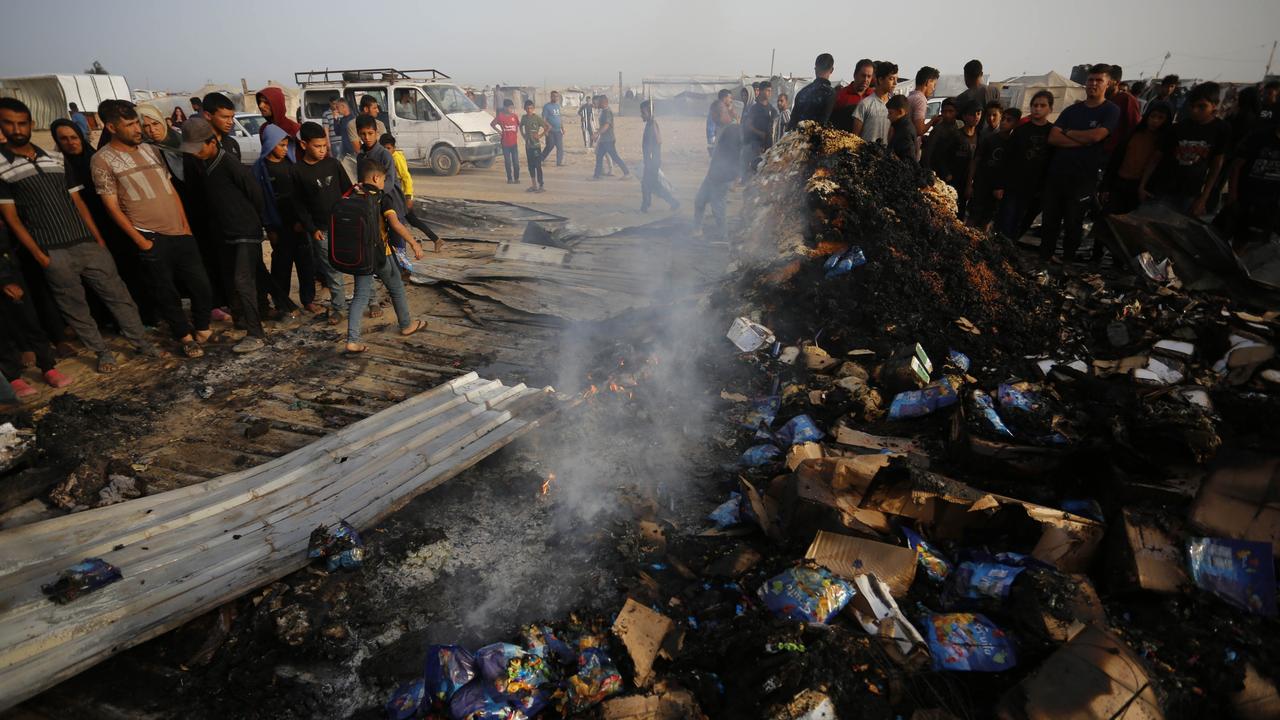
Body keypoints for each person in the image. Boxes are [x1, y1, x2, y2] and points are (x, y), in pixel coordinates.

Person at [0, 97, 160, 372]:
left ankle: (141, 342)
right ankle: (101, 352)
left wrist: (97, 240)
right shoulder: (2, 168)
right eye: (9, 124)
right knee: (75, 307)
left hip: (87, 242)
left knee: (118, 295)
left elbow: (79, 203)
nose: (17, 129)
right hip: (52, 251)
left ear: (31, 124)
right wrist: (40, 256)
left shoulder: (57, 159)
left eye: (22, 123)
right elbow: (12, 219)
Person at [91, 101, 213, 358]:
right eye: (130, 125)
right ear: (111, 127)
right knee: (165, 292)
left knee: (201, 284)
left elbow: (170, 188)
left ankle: (202, 326)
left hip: (180, 231)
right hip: (149, 236)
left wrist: (185, 225)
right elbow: (111, 207)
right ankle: (184, 336)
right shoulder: (102, 160)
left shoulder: (150, 150)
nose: (138, 128)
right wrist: (141, 241)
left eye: (137, 122)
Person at [179, 116, 272, 353]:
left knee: (244, 281)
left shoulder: (229, 163)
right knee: (233, 280)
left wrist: (257, 222)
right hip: (226, 232)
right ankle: (243, 320)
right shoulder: (204, 166)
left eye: (199, 147)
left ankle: (256, 333)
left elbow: (255, 193)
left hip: (246, 231)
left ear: (212, 142)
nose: (196, 152)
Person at [343, 158, 426, 355]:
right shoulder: (382, 198)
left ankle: (352, 340)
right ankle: (406, 324)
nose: (383, 184)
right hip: (381, 254)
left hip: (359, 255)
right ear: (375, 177)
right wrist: (414, 243)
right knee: (396, 286)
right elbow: (396, 224)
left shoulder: (351, 195)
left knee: (360, 296)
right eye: (383, 180)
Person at [1041, 64, 1121, 263]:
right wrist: (1080, 140)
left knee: (1073, 224)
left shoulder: (1110, 110)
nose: (1093, 84)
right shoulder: (1072, 110)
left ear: (1108, 84)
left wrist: (1067, 133)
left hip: (1083, 178)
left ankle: (1067, 263)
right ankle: (1043, 260)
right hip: (1057, 175)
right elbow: (1053, 137)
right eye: (1090, 80)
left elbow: (1096, 137)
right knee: (1049, 221)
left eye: (1098, 80)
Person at [0, 220, 73, 397]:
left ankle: (48, 367)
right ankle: (13, 378)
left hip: (8, 268)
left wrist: (7, 277)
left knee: (29, 319)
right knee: (1, 329)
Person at [291, 121, 352, 324]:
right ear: (303, 145)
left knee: (358, 264)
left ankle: (371, 301)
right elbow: (299, 205)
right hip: (321, 230)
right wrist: (312, 228)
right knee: (332, 271)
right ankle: (339, 308)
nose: (322, 150)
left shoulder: (333, 164)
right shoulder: (297, 171)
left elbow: (348, 190)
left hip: (344, 225)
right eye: (317, 146)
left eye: (325, 146)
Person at [1142, 82, 1230, 218]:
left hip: (1190, 194)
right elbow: (1156, 157)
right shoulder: (1178, 128)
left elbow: (1215, 167)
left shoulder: (1221, 130)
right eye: (1192, 106)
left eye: (1202, 107)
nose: (1195, 111)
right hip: (1163, 188)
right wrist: (1143, 185)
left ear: (1214, 105)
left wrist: (1203, 198)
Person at [254, 125, 316, 315]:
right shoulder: (261, 169)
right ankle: (282, 302)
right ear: (270, 144)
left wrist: (303, 220)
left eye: (285, 144)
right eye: (280, 145)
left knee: (306, 263)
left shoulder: (290, 163)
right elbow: (261, 201)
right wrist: (269, 227)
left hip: (298, 223)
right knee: (282, 265)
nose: (283, 148)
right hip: (279, 224)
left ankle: (308, 300)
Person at [1102, 101, 1172, 216]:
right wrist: (1106, 186)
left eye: (1161, 118)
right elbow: (1115, 160)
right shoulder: (1133, 134)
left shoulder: (1163, 143)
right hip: (1119, 182)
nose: (1155, 121)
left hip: (1139, 188)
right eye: (1153, 116)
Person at [381, 133, 442, 251]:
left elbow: (406, 177)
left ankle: (433, 240)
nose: (386, 151)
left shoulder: (396, 158)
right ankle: (435, 239)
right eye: (384, 148)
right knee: (411, 220)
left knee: (404, 221)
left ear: (393, 148)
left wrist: (408, 197)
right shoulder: (388, 158)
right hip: (397, 195)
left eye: (388, 148)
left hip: (400, 196)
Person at [1225, 119, 1280, 248]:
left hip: (1269, 201)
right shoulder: (1259, 136)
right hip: (1245, 195)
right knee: (1226, 232)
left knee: (1247, 240)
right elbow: (1236, 166)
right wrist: (1232, 194)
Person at [968, 107, 1018, 230]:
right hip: (981, 184)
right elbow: (976, 161)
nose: (1004, 122)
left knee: (987, 219)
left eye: (1009, 120)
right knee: (973, 216)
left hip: (997, 189)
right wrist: (969, 183)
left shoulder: (1014, 143)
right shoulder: (989, 139)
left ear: (1015, 124)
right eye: (1004, 119)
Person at [930, 103, 981, 218]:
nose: (976, 117)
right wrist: (947, 174)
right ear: (964, 116)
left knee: (961, 212)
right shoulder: (955, 135)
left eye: (978, 114)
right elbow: (940, 156)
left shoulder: (980, 137)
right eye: (972, 114)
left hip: (966, 181)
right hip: (952, 181)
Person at [695, 123, 741, 239]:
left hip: (722, 179)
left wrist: (735, 182)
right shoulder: (723, 138)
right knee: (699, 201)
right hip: (711, 177)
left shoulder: (734, 138)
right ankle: (697, 230)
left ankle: (723, 235)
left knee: (718, 210)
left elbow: (740, 163)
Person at [639, 100, 679, 214]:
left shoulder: (652, 125)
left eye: (643, 113)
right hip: (651, 161)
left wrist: (651, 159)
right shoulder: (650, 124)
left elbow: (658, 141)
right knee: (652, 185)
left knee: (648, 184)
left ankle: (645, 206)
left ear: (650, 113)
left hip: (652, 161)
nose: (641, 115)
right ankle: (673, 202)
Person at [851, 61, 897, 145]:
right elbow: (855, 137)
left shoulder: (894, 107)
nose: (895, 83)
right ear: (880, 80)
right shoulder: (865, 104)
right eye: (891, 79)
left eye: (896, 79)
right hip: (865, 155)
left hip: (886, 156)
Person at [789, 53, 837, 129]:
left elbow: (791, 123)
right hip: (815, 139)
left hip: (797, 138)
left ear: (815, 69)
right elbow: (823, 124)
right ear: (832, 70)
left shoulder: (802, 92)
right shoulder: (830, 93)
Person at [741, 81, 777, 182]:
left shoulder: (772, 109)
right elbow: (748, 125)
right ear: (760, 91)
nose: (769, 93)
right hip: (755, 146)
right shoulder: (754, 108)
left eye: (770, 91)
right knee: (754, 172)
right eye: (767, 91)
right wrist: (759, 133)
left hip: (768, 147)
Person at [592, 95, 629, 180]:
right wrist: (598, 132)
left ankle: (627, 173)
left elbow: (606, 125)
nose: (598, 104)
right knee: (599, 156)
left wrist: (597, 133)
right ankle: (597, 176)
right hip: (604, 139)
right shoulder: (603, 111)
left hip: (608, 139)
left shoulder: (607, 112)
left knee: (615, 157)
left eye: (599, 102)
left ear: (604, 102)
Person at [955, 59, 1002, 127]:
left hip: (972, 134)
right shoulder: (994, 91)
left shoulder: (963, 97)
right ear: (982, 74)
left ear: (966, 76)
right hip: (991, 133)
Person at [1106, 65, 1141, 152]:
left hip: (1113, 151)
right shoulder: (1101, 98)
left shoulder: (1127, 99)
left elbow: (1134, 127)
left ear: (1116, 82)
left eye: (1107, 81)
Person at [908, 66, 942, 158]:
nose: (934, 89)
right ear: (928, 82)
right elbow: (919, 130)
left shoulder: (910, 97)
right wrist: (932, 121)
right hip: (910, 151)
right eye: (934, 84)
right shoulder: (920, 100)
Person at [202, 92, 242, 161]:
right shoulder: (196, 146)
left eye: (232, 117)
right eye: (225, 117)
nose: (231, 122)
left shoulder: (232, 143)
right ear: (208, 115)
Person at [520, 100, 549, 193]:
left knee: (538, 166)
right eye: (527, 108)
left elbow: (547, 127)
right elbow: (520, 126)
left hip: (536, 146)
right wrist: (523, 135)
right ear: (525, 109)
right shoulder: (524, 118)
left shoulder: (537, 118)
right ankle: (534, 185)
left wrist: (540, 135)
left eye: (531, 108)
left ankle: (541, 185)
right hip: (528, 146)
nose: (529, 110)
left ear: (533, 109)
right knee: (530, 166)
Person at [922, 98, 959, 168]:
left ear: (956, 112)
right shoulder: (938, 130)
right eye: (944, 111)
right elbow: (928, 153)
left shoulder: (960, 126)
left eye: (951, 111)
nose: (947, 115)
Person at [491, 100, 521, 184]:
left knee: (516, 162)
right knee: (508, 162)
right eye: (510, 107)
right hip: (505, 144)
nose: (511, 109)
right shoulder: (500, 116)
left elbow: (518, 125)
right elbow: (492, 124)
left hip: (514, 143)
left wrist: (515, 132)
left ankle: (516, 178)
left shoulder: (514, 116)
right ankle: (509, 178)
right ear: (505, 107)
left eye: (512, 107)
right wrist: (499, 131)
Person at [886, 95, 916, 162]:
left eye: (890, 113)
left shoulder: (905, 132)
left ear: (901, 112)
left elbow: (909, 162)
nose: (888, 116)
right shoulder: (900, 127)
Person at [707, 89, 738, 154]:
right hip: (718, 138)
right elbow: (711, 124)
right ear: (724, 98)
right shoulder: (717, 107)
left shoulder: (727, 107)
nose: (731, 100)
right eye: (730, 98)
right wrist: (711, 138)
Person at [540, 91, 565, 167]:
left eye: (557, 96)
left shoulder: (557, 106)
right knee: (550, 145)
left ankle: (559, 162)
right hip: (550, 131)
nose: (555, 98)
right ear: (551, 97)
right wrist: (546, 127)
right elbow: (543, 119)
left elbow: (559, 118)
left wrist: (562, 128)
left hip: (558, 130)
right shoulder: (547, 107)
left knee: (560, 147)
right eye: (554, 96)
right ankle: (540, 159)